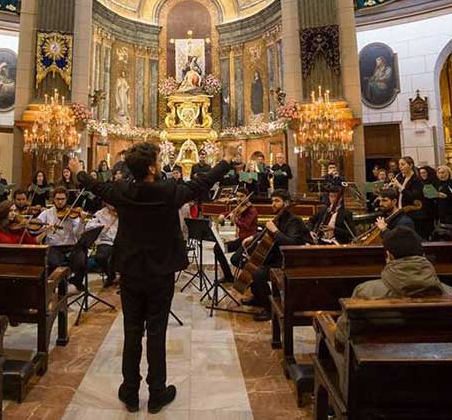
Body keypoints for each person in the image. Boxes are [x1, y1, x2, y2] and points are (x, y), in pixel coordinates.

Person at [68, 142, 237, 414]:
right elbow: (202, 183)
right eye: (158, 160)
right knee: (157, 331)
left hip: (131, 271)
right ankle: (157, 392)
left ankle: (130, 392)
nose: (160, 164)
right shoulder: (169, 191)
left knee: (132, 330)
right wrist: (226, 160)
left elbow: (97, 186)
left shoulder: (123, 190)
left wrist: (79, 171)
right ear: (150, 167)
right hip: (161, 272)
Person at [334, 226, 452, 350]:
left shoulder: (366, 292)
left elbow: (343, 336)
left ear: (389, 256)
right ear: (423, 255)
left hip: (378, 365)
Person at [242, 189, 311, 322]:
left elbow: (292, 244)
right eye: (272, 201)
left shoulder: (294, 220)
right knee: (250, 263)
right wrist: (253, 237)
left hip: (288, 262)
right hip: (276, 257)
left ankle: (269, 310)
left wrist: (275, 231)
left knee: (258, 273)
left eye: (277, 201)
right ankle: (258, 299)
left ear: (286, 203)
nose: (273, 204)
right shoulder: (279, 218)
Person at [35, 187, 87, 290]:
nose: (60, 202)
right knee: (53, 264)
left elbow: (78, 234)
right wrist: (45, 228)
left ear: (66, 199)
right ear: (53, 199)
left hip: (71, 246)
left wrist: (81, 221)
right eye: (57, 199)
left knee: (81, 261)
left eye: (62, 199)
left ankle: (76, 283)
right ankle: (56, 286)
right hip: (54, 247)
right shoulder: (47, 213)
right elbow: (35, 227)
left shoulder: (72, 213)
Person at [213, 189, 258, 282]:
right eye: (238, 196)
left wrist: (235, 220)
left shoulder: (252, 210)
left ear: (247, 197)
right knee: (218, 248)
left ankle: (251, 277)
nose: (239, 198)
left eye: (242, 196)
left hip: (249, 241)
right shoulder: (240, 208)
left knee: (235, 259)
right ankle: (228, 276)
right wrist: (222, 215)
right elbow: (228, 213)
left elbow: (246, 225)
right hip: (241, 239)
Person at [389, 156, 426, 239]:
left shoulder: (417, 180)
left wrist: (399, 186)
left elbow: (412, 196)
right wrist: (390, 189)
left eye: (402, 164)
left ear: (411, 165)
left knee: (414, 237)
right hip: (400, 211)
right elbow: (396, 195)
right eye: (399, 165)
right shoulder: (400, 177)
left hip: (413, 213)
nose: (400, 167)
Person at [87, 202, 119, 287]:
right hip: (106, 241)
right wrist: (102, 226)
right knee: (100, 257)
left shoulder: (123, 211)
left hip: (121, 240)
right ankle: (111, 275)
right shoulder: (100, 214)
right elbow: (89, 227)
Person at [416, 165, 438, 240]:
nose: (423, 174)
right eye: (421, 173)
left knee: (430, 227)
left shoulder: (434, 181)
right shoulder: (419, 182)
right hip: (422, 208)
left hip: (432, 207)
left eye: (424, 172)